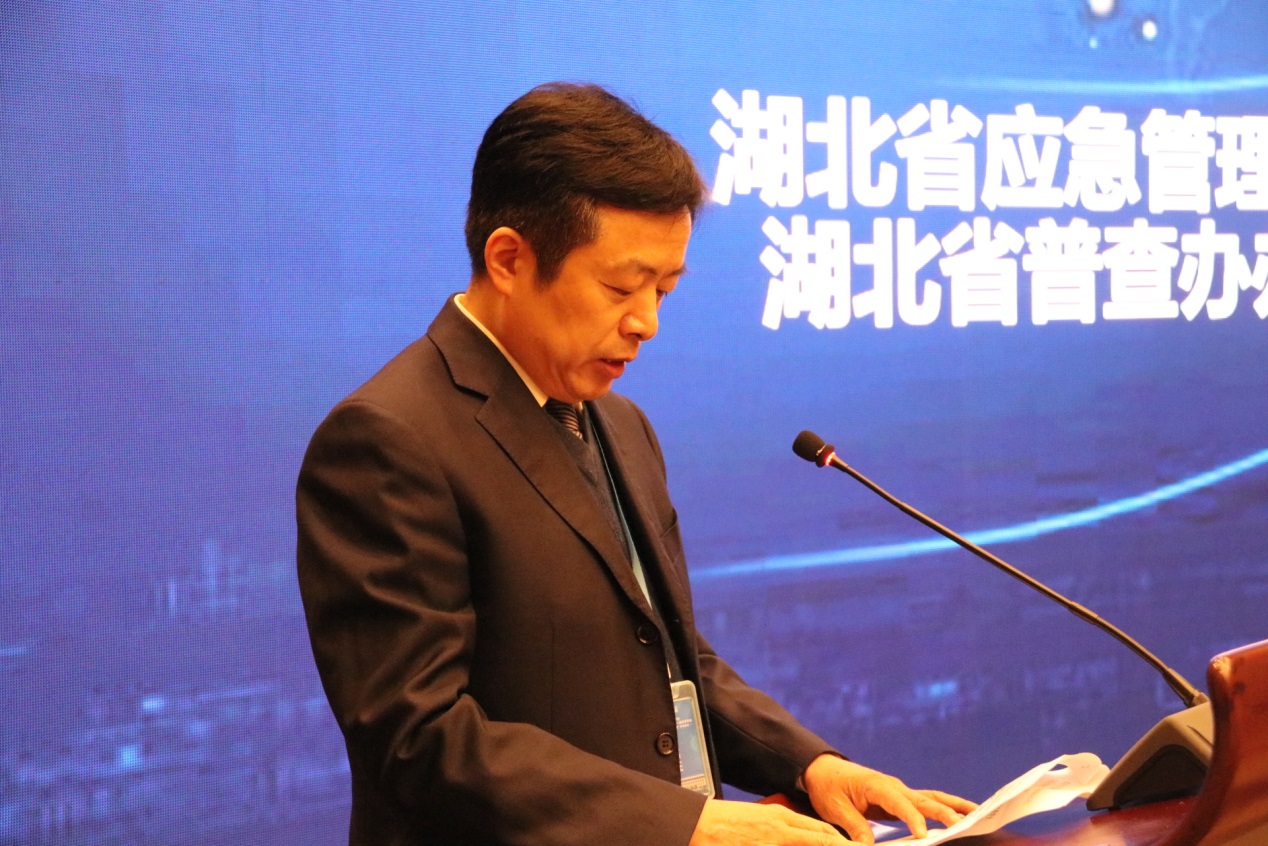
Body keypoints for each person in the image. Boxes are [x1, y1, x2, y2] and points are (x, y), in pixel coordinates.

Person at [296, 82, 974, 846]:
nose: (647, 321)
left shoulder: (620, 423)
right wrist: (684, 826)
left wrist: (807, 764)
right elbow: (419, 740)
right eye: (621, 286)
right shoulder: (388, 440)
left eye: (665, 289)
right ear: (510, 258)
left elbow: (673, 664)